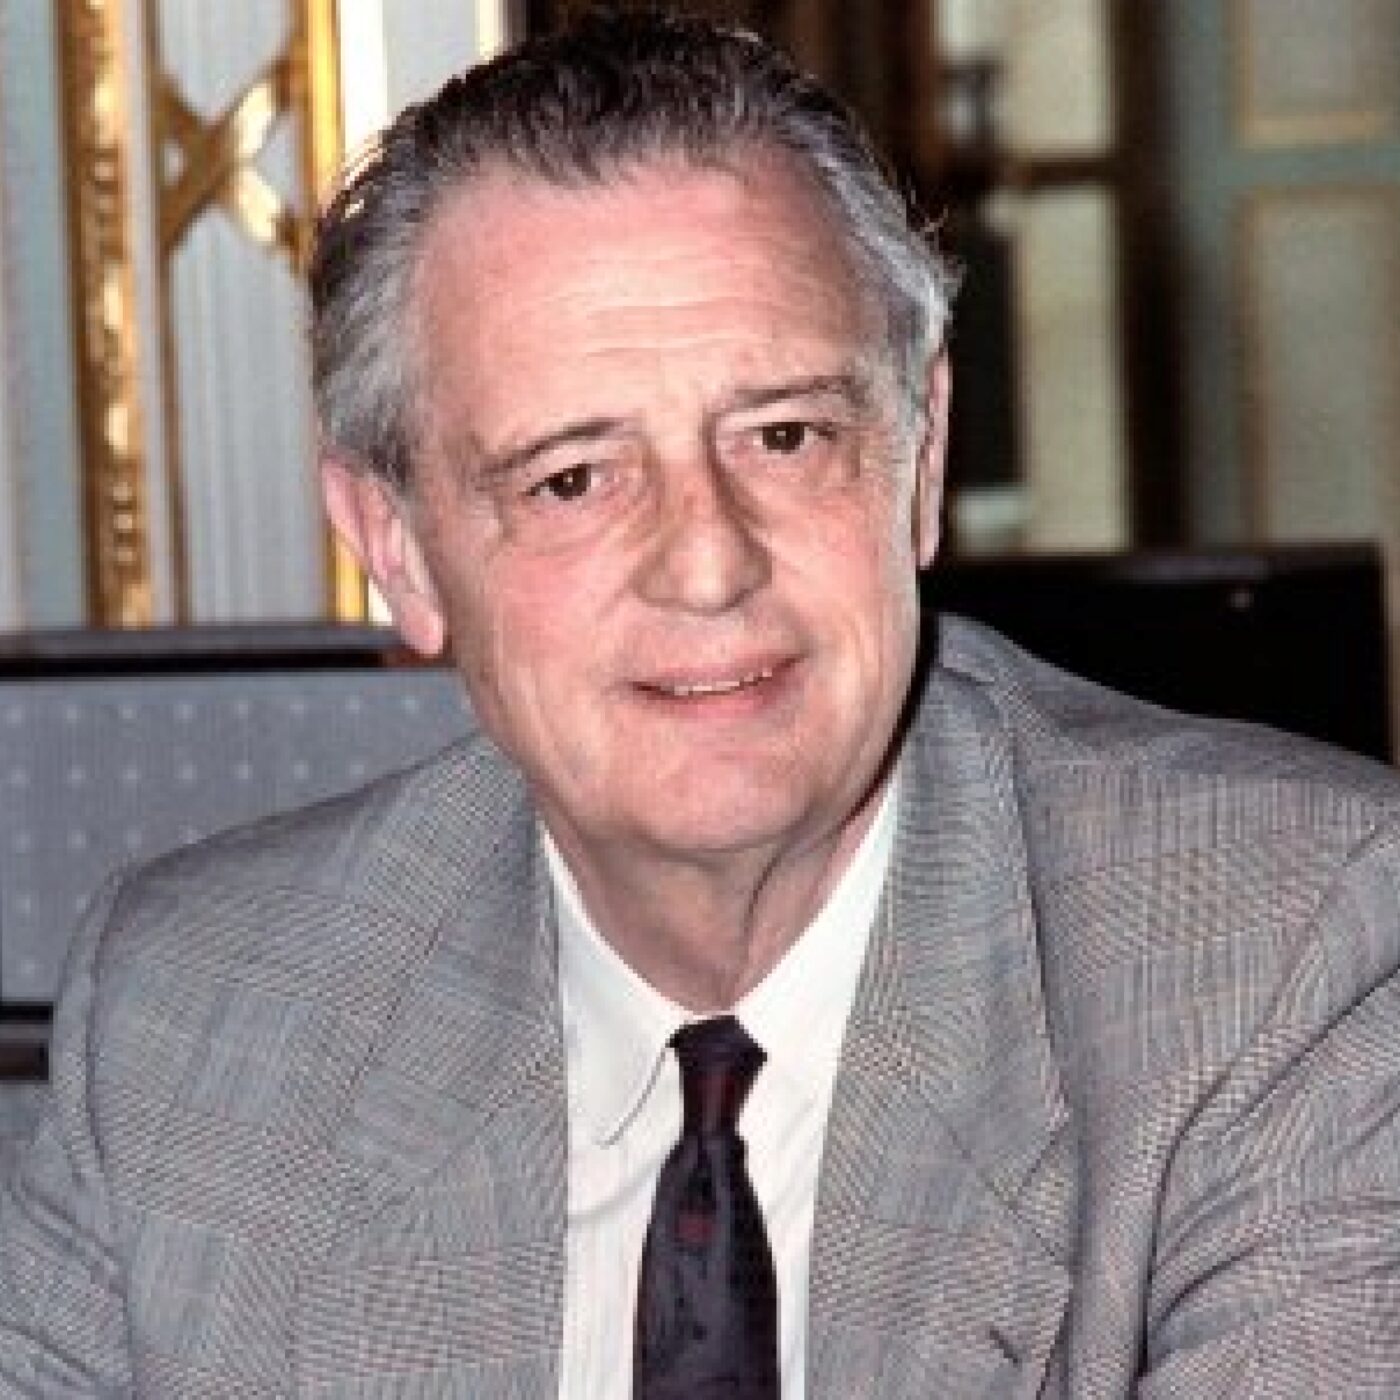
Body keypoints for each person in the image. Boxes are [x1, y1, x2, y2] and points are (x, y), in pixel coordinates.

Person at [4, 9, 1400, 1397]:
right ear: (399, 549)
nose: (709, 562)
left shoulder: (1283, 956)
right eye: (573, 478)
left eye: (784, 437)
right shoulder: (195, 1025)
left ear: (918, 463)